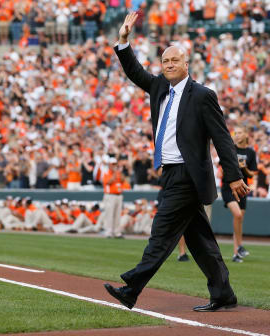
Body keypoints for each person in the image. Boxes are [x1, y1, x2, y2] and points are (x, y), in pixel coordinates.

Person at [104, 12, 249, 313]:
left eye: (175, 61)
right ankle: (223, 293)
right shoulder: (159, 87)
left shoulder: (202, 95)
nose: (169, 65)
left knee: (161, 232)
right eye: (165, 61)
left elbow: (222, 138)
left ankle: (131, 289)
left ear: (186, 64)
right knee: (200, 241)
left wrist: (233, 174)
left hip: (188, 175)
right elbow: (134, 71)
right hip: (169, 173)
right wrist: (123, 40)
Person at [221, 126, 258, 262]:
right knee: (237, 215)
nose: (237, 135)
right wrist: (234, 166)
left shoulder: (251, 152)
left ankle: (236, 253)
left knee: (239, 219)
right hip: (229, 187)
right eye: (235, 133)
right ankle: (240, 246)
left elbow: (253, 173)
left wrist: (244, 168)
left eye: (240, 132)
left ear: (246, 134)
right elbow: (222, 168)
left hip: (243, 188)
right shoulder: (231, 148)